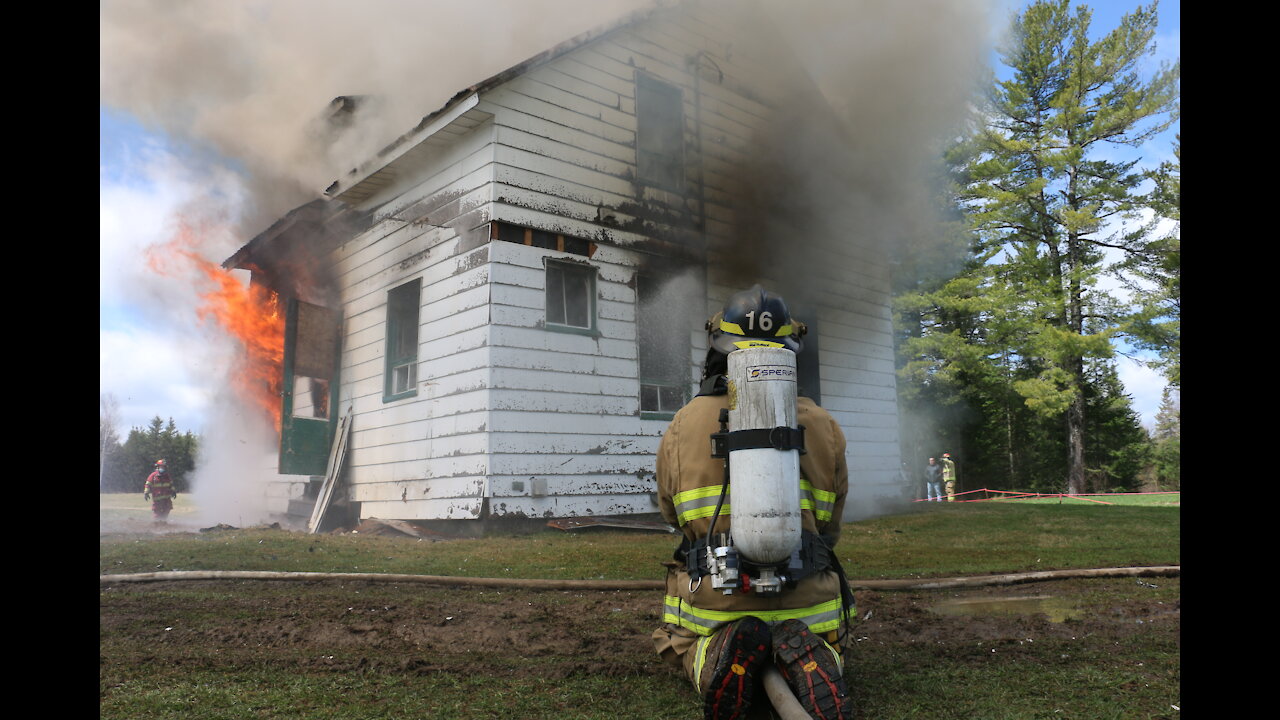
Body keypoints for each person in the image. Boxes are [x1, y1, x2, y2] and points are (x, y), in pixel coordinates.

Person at [651, 285, 855, 720]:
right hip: (808, 599)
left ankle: (714, 655)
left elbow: (671, 512)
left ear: (719, 349)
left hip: (716, 601)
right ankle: (815, 655)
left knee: (685, 644)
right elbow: (832, 523)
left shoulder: (684, 422)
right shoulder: (822, 423)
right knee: (826, 640)